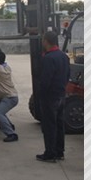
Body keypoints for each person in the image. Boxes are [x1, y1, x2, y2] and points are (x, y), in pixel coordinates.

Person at [36, 30, 71, 163]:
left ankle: (50, 153)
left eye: (43, 40)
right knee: (59, 123)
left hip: (50, 97)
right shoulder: (64, 56)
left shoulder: (48, 58)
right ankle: (59, 151)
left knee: (49, 125)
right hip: (61, 94)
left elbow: (45, 80)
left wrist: (41, 94)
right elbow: (67, 75)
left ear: (46, 41)